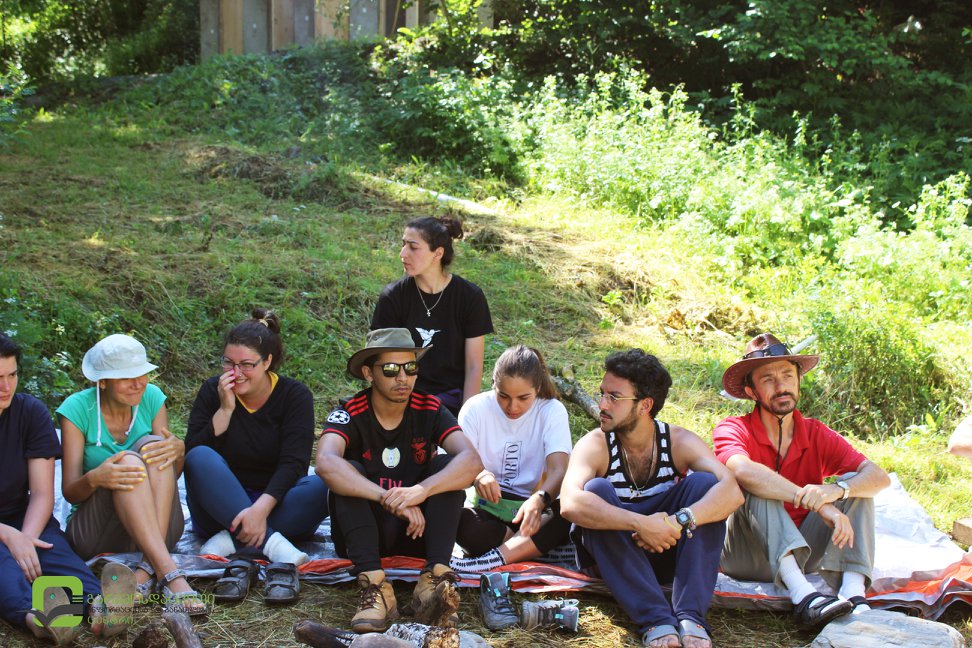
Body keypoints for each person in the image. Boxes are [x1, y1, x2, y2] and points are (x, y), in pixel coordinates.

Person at [561, 349, 742, 648]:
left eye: (614, 397)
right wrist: (641, 524)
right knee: (595, 491)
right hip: (615, 555)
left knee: (706, 484)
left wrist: (676, 521)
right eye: (602, 393)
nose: (602, 404)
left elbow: (732, 491)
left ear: (645, 405)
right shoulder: (595, 444)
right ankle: (656, 619)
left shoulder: (679, 441)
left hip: (666, 550)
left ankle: (691, 617)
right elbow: (569, 503)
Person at [713, 333, 891, 631]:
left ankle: (853, 593)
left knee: (855, 483)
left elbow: (878, 476)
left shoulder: (815, 432)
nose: (781, 386)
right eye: (768, 379)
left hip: (805, 552)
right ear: (751, 391)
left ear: (798, 381)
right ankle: (804, 597)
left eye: (787, 375)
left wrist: (836, 490)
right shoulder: (733, 428)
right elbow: (742, 470)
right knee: (756, 486)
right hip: (747, 554)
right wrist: (818, 503)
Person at [315, 328, 483, 634]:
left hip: (417, 532)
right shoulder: (350, 411)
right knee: (347, 470)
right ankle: (375, 588)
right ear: (369, 373)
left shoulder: (429, 408)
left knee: (448, 467)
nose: (402, 378)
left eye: (411, 368)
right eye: (391, 369)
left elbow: (471, 461)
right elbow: (325, 462)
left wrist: (420, 491)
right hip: (364, 534)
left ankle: (433, 583)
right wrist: (388, 498)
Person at [57, 334, 206, 615]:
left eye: (142, 374)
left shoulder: (152, 398)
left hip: (158, 526)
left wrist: (178, 453)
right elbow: (69, 492)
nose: (138, 383)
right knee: (127, 460)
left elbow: (169, 477)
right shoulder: (77, 409)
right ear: (102, 381)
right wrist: (95, 478)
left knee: (154, 446)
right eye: (126, 378)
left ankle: (147, 568)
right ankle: (169, 574)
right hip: (97, 532)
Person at [184, 308, 329, 590]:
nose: (236, 373)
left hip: (276, 503)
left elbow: (294, 463)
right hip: (217, 508)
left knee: (326, 482)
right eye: (229, 363)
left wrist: (260, 510)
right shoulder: (213, 390)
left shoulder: (294, 395)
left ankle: (230, 541)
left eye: (246, 365)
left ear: (268, 362)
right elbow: (193, 456)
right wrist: (225, 410)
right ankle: (274, 545)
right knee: (199, 456)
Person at [0, 333, 106, 643]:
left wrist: (27, 539)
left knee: (56, 555)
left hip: (24, 516)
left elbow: (43, 493)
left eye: (12, 375)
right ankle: (38, 620)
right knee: (5, 571)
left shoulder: (30, 413)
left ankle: (99, 609)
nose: (6, 387)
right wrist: (9, 538)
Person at [451, 345, 573, 572]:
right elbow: (458, 460)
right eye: (503, 396)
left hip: (536, 509)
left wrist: (540, 499)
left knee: (569, 508)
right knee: (460, 523)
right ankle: (529, 548)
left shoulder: (551, 410)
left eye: (523, 398)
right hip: (488, 510)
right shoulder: (475, 408)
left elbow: (559, 470)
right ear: (493, 384)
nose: (512, 406)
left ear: (537, 388)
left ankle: (499, 555)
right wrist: (479, 474)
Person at [371, 215, 494, 415]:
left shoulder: (469, 297)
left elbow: (474, 366)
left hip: (451, 401)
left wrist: (467, 417)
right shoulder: (393, 297)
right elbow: (380, 361)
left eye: (413, 247)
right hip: (402, 399)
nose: (403, 253)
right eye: (403, 244)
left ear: (438, 253)